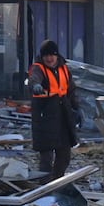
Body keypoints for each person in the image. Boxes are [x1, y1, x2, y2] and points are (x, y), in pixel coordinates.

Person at [28, 39, 81, 177]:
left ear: (57, 55)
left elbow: (71, 90)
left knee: (64, 153)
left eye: (52, 55)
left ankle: (57, 181)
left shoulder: (64, 68)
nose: (49, 58)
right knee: (46, 154)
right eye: (46, 56)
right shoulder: (39, 68)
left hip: (63, 114)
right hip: (45, 114)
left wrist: (77, 108)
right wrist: (36, 86)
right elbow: (34, 78)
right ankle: (44, 187)